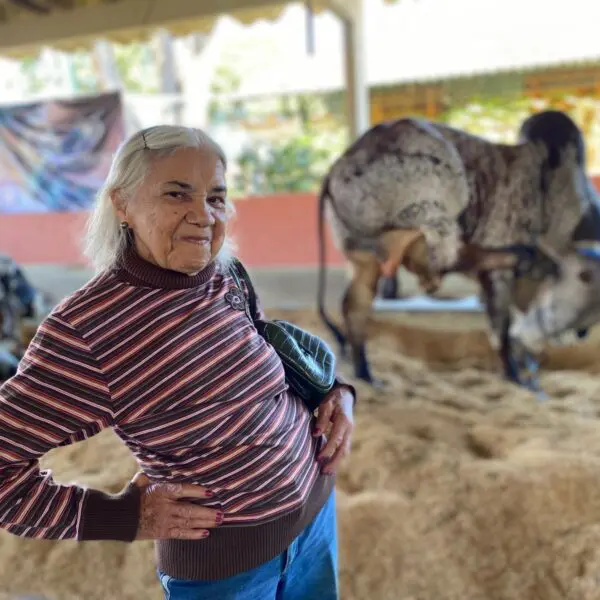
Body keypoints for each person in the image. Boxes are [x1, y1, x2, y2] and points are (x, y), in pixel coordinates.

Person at [0, 125, 356, 600]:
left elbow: (267, 360)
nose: (204, 216)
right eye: (176, 194)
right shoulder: (86, 331)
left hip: (314, 520)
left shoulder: (225, 276)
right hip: (227, 570)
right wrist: (128, 515)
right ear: (121, 203)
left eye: (216, 196)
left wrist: (336, 394)